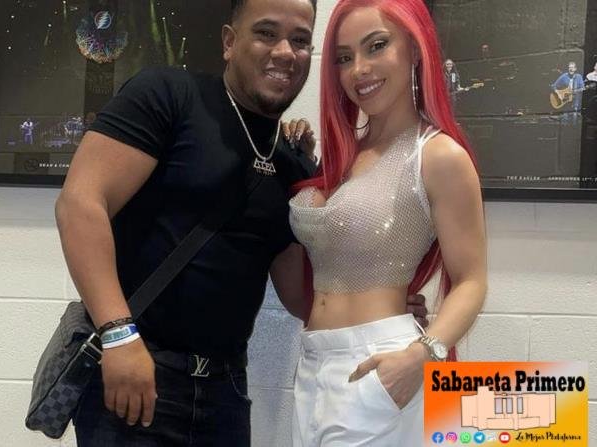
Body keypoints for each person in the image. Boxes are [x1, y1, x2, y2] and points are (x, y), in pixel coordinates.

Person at [54, 0, 427, 446]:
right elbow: (80, 204)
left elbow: (299, 293)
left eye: (300, 40)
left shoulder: (292, 163)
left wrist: (381, 304)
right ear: (230, 42)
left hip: (225, 392)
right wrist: (119, 336)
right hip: (138, 372)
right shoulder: (168, 95)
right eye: (266, 33)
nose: (285, 51)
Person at [289, 0, 487, 445]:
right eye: (344, 57)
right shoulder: (342, 155)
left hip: (381, 363)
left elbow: (471, 280)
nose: (359, 69)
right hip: (313, 364)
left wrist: (422, 355)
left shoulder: (437, 155)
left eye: (376, 46)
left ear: (415, 49)